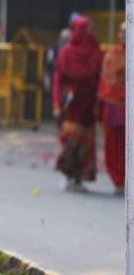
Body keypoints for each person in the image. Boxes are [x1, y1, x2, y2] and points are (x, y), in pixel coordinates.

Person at [53, 16, 103, 191]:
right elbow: (58, 80)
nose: (92, 33)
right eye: (89, 29)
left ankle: (78, 177)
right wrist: (56, 105)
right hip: (71, 106)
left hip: (89, 106)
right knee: (70, 140)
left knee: (85, 143)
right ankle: (66, 173)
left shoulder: (96, 52)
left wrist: (100, 105)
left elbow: (101, 79)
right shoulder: (66, 53)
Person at [98, 23, 126, 195]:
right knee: (114, 145)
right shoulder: (112, 55)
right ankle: (119, 180)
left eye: (126, 32)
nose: (122, 35)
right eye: (121, 32)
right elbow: (106, 82)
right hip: (114, 108)